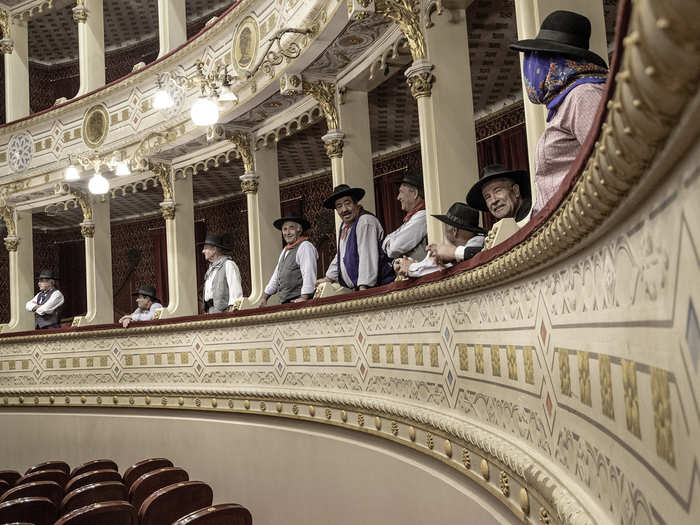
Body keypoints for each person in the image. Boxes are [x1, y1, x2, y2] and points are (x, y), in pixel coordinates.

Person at [510, 10, 608, 215]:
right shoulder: (565, 100)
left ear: (556, 61)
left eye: (538, 56)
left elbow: (608, 163)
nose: (531, 64)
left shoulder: (583, 94)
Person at [316, 184, 394, 290]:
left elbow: (367, 255)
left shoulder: (365, 221)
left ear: (356, 203)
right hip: (358, 288)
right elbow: (341, 255)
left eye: (347, 203)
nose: (344, 209)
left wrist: (363, 287)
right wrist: (328, 278)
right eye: (339, 206)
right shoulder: (345, 226)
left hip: (377, 287)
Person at [395, 203, 486, 278]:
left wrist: (410, 267)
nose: (444, 231)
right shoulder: (465, 249)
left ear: (454, 231)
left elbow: (435, 270)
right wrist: (416, 263)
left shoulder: (476, 244)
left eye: (446, 226)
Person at [260, 214, 318, 305]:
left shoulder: (305, 246)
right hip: (286, 302)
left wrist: (304, 298)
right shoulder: (285, 251)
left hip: (300, 302)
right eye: (285, 229)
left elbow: (308, 273)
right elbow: (276, 276)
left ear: (299, 230)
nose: (287, 233)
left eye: (291, 228)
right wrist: (264, 298)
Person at [382, 171, 427, 262]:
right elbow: (387, 239)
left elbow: (394, 248)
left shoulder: (422, 216)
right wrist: (388, 242)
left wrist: (389, 243)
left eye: (401, 192)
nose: (398, 197)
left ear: (414, 193)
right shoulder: (413, 217)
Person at [466, 163, 531, 224]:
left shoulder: (532, 214)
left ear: (516, 191)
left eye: (498, 191)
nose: (493, 200)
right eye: (488, 197)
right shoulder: (506, 229)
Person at [201, 233, 243, 313]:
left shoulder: (228, 264)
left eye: (206, 248)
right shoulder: (210, 270)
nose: (203, 251)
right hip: (210, 312)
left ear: (214, 250)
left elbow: (236, 290)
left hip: (225, 313)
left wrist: (234, 310)